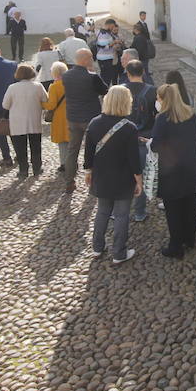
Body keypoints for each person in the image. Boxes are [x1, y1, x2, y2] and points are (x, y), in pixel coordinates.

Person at [83, 85, 143, 264]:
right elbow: (133, 158)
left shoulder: (94, 123)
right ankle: (119, 252)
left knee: (102, 212)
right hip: (123, 178)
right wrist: (138, 180)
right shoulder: (129, 128)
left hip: (101, 176)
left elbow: (88, 153)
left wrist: (88, 171)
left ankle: (97, 247)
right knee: (122, 215)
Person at [152, 83, 196, 258]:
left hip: (171, 170)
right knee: (190, 204)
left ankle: (176, 245)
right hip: (191, 165)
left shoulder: (162, 119)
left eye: (158, 98)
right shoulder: (190, 113)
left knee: (173, 209)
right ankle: (190, 238)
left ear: (163, 99)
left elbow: (156, 146)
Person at [63, 48, 108, 190]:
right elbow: (105, 90)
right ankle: (96, 179)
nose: (92, 61)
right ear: (85, 60)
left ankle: (69, 181)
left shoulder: (66, 76)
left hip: (73, 117)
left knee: (72, 150)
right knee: (96, 148)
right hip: (90, 118)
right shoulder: (92, 76)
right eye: (90, 58)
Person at [123, 60, 157, 221]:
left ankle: (119, 211)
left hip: (124, 137)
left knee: (122, 174)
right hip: (145, 137)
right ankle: (139, 212)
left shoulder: (120, 91)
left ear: (127, 73)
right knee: (141, 175)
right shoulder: (152, 91)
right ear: (143, 72)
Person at [2, 63, 48, 178]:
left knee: (20, 147)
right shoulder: (38, 86)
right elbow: (45, 99)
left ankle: (23, 170)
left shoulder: (12, 88)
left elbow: (5, 105)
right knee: (36, 145)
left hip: (17, 122)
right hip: (34, 119)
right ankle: (37, 167)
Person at [42, 61, 71, 173]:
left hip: (60, 118)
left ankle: (64, 163)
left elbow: (51, 105)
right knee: (71, 140)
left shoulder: (54, 87)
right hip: (72, 115)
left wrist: (41, 103)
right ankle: (73, 162)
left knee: (62, 142)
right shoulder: (72, 84)